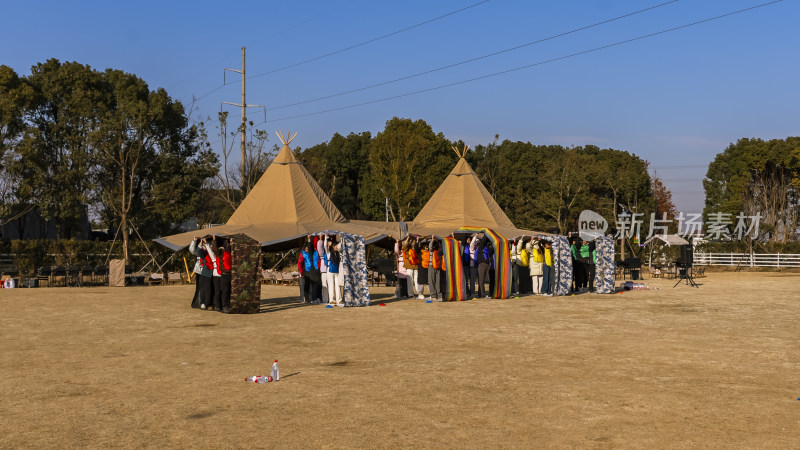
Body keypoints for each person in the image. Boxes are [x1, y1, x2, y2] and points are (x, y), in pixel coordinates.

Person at [189, 237, 214, 310]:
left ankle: (208, 303)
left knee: (210, 288)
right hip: (200, 270)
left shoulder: (209, 248)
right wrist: (194, 241)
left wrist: (207, 244)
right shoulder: (199, 249)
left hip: (209, 270)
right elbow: (192, 250)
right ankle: (199, 302)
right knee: (200, 288)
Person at [213, 238, 232, 313]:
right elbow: (214, 249)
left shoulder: (230, 252)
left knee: (230, 291)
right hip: (224, 274)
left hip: (231, 274)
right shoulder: (220, 253)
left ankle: (228, 305)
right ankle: (225, 306)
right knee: (225, 291)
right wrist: (214, 240)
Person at [324, 235, 343, 306]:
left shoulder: (338, 254)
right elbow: (325, 246)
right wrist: (326, 238)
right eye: (335, 246)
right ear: (333, 247)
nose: (336, 247)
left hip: (337, 271)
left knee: (338, 285)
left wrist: (341, 238)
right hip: (330, 271)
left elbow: (341, 245)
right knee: (331, 285)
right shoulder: (329, 253)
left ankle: (339, 300)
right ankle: (332, 300)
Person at [475, 233, 490, 298]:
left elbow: (487, 241)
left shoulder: (487, 248)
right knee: (481, 281)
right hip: (481, 265)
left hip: (488, 265)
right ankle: (482, 294)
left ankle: (491, 292)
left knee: (490, 279)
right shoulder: (480, 248)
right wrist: (486, 233)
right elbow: (484, 240)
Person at [316, 235, 329, 303]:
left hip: (330, 269)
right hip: (324, 270)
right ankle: (325, 299)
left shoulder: (329, 251)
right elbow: (319, 247)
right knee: (324, 285)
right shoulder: (322, 253)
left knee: (330, 285)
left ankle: (330, 298)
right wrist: (321, 238)